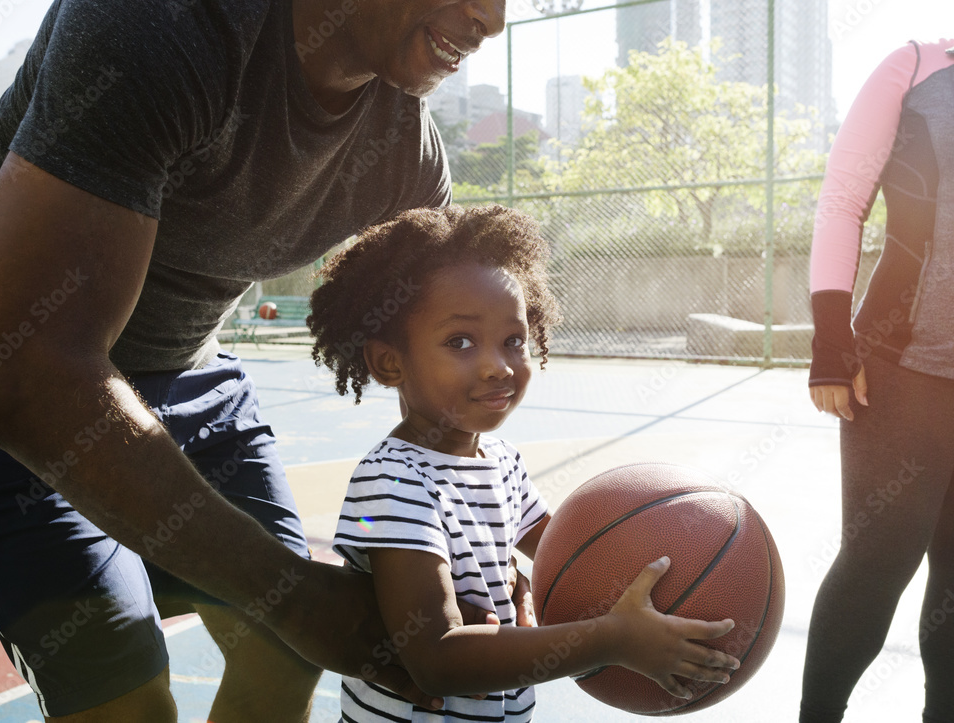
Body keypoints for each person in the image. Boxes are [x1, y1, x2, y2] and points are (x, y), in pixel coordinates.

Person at [0, 0, 515, 720]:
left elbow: (444, 397)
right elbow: (25, 381)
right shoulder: (160, 24)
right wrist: (293, 594)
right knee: (123, 693)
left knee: (285, 655)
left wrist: (478, 548)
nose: (492, 19)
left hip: (187, 368)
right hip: (0, 359)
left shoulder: (404, 159)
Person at [306, 204, 742, 722]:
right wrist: (612, 640)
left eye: (514, 341)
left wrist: (679, 561)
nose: (497, 365)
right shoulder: (394, 480)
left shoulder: (501, 462)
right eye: (460, 342)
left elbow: (573, 551)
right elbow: (435, 660)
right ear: (388, 362)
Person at [803, 39, 954, 723]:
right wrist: (832, 340)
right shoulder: (917, 67)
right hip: (899, 366)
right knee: (877, 562)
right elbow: (842, 203)